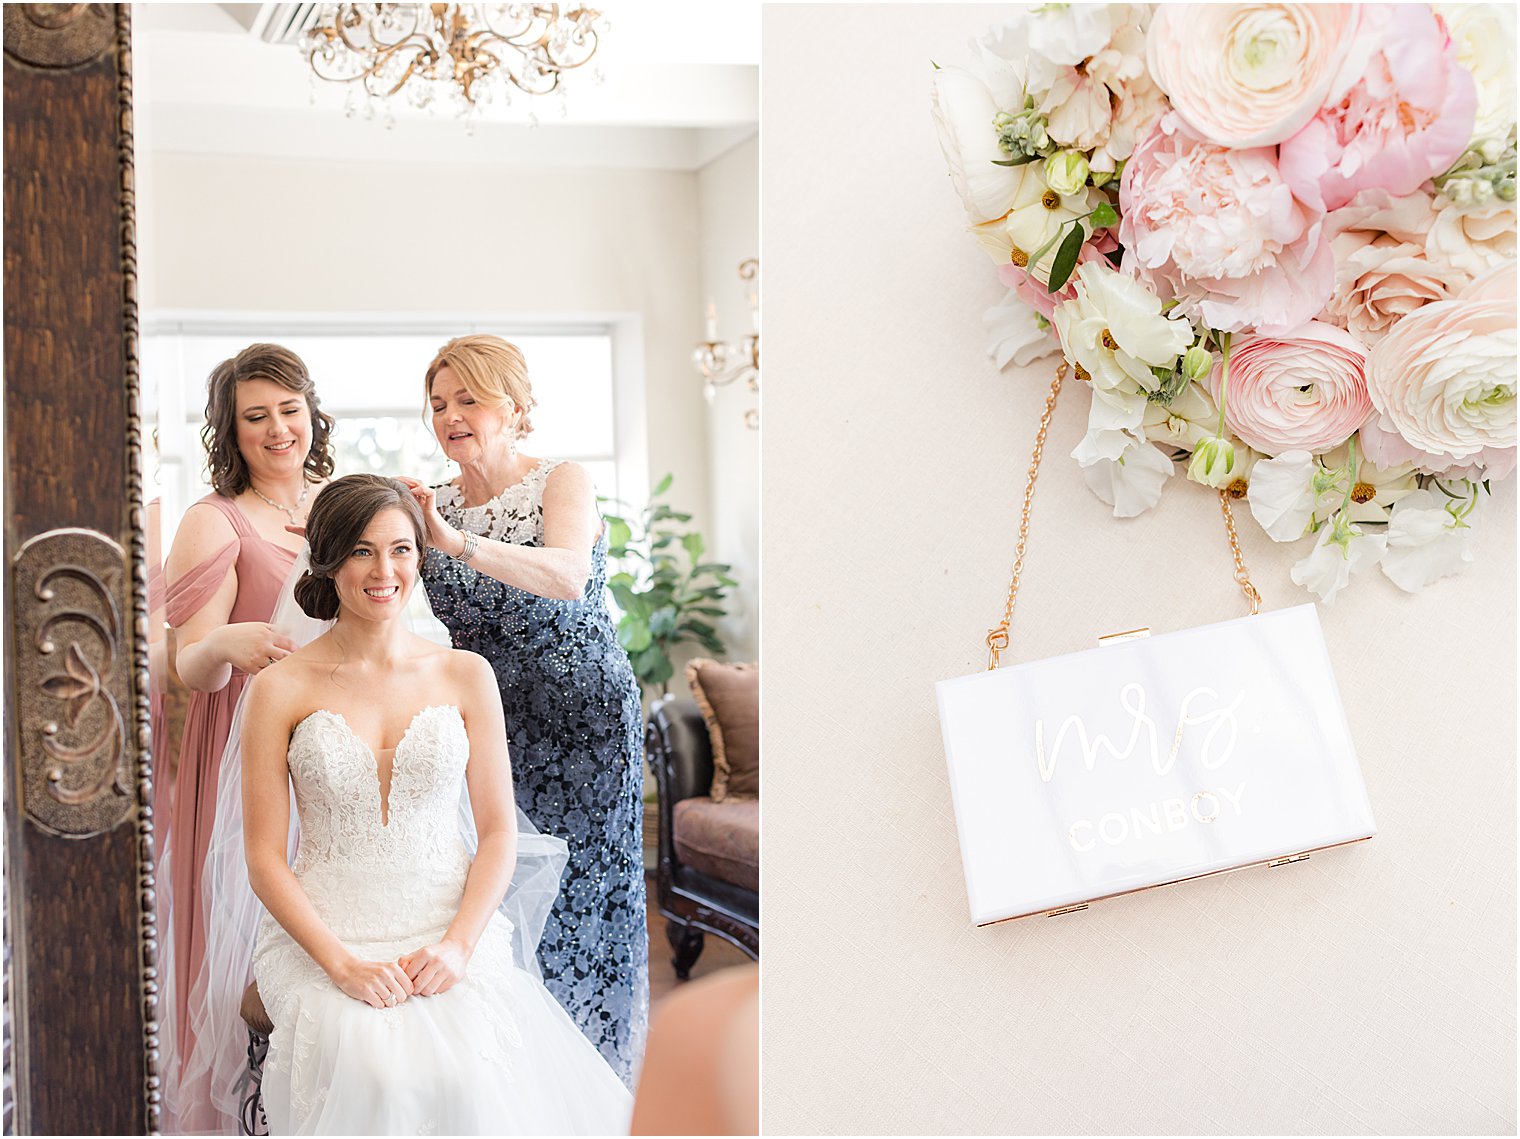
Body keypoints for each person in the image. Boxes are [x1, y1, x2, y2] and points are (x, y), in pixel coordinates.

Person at [242, 475, 632, 1135]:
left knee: (471, 1073)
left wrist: (457, 946)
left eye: (401, 548)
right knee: (375, 1069)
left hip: (446, 924)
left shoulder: (466, 673)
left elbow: (499, 831)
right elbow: (261, 855)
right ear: (330, 558)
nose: (384, 569)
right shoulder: (280, 687)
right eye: (362, 551)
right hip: (327, 933)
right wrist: (340, 963)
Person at [399, 334, 649, 1086]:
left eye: (468, 399)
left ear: (513, 406)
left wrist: (455, 542)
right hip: (489, 732)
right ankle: (509, 1081)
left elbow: (570, 575)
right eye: (439, 404)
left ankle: (594, 1084)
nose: (451, 416)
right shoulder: (426, 504)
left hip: (586, 728)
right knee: (492, 897)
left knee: (584, 900)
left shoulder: (559, 481)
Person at [160, 343, 334, 1117]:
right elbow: (184, 665)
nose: (276, 429)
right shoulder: (215, 520)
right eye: (255, 416)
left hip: (334, 741)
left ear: (311, 413)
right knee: (251, 929)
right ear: (231, 432)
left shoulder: (339, 502)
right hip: (244, 741)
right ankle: (244, 1106)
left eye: (288, 410)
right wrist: (226, 645)